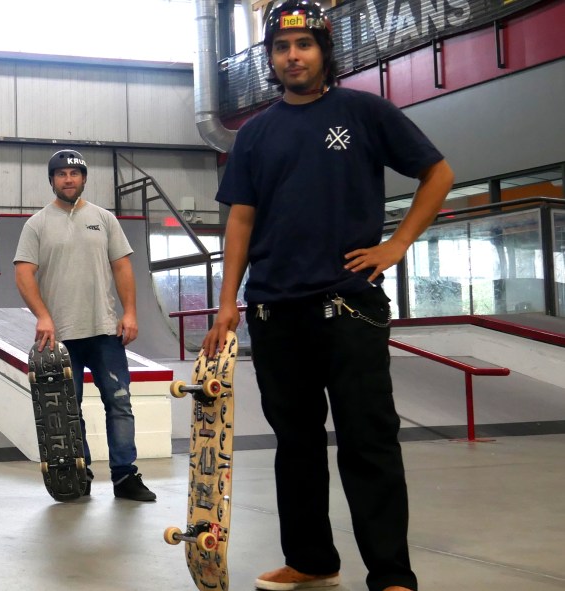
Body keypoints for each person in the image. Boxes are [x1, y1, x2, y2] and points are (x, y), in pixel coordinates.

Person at [201, 1, 454, 590]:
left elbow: (437, 173)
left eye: (305, 46)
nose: (293, 56)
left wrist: (397, 245)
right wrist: (228, 300)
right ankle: (313, 561)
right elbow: (241, 219)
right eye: (282, 48)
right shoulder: (255, 134)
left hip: (348, 308)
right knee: (296, 446)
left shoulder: (365, 112)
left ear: (324, 51)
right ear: (271, 58)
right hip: (273, 310)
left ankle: (392, 574)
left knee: (369, 443)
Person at [14, 149, 156, 502]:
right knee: (67, 410)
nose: (68, 179)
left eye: (74, 174)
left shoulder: (104, 219)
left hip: (106, 332)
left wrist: (131, 313)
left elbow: (123, 267)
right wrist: (43, 316)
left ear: (84, 179)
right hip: (60, 339)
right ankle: (80, 476)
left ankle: (125, 477)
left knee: (119, 404)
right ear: (52, 181)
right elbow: (23, 273)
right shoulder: (37, 224)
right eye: (60, 174)